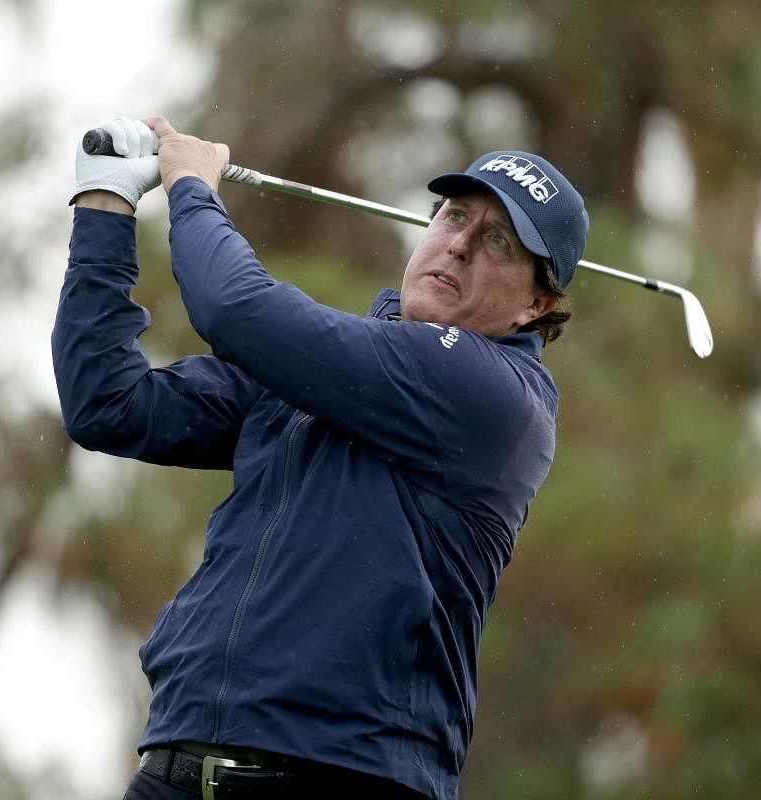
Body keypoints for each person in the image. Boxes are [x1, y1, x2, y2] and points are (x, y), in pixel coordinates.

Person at [52, 116, 589, 800]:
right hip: (178, 769)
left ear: (536, 305)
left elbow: (233, 309)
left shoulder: (493, 395)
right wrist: (106, 204)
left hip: (343, 775)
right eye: (453, 216)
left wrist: (192, 185)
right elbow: (108, 403)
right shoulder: (336, 371)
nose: (457, 246)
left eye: (497, 243)